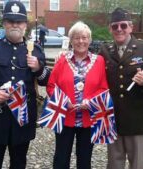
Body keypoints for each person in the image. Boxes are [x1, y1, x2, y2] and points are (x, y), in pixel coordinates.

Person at [0, 1, 50, 169]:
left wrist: (38, 68)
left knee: (19, 163)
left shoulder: (35, 50)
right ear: (4, 23)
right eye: (10, 21)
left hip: (23, 119)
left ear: (25, 25)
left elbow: (46, 80)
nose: (15, 25)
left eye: (19, 21)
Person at [99, 8, 143, 169]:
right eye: (115, 26)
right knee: (114, 163)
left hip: (138, 117)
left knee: (137, 164)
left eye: (123, 26)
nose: (119, 29)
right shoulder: (105, 50)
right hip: (114, 116)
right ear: (110, 29)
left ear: (131, 27)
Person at [47, 21, 109, 169]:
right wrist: (63, 101)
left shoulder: (99, 61)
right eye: (76, 37)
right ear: (71, 40)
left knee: (85, 159)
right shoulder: (62, 60)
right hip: (65, 116)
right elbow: (51, 86)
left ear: (90, 40)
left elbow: (104, 88)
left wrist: (92, 102)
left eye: (84, 37)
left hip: (88, 118)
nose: (81, 41)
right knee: (61, 158)